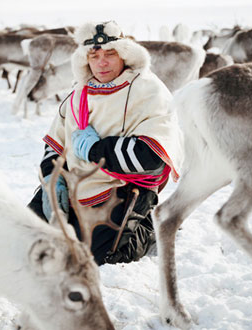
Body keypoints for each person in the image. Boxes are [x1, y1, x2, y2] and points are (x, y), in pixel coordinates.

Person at [27, 21, 183, 265]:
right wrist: (52, 179)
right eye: (94, 55)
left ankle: (150, 228)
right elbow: (55, 144)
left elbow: (151, 156)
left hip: (121, 188)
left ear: (124, 54)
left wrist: (94, 149)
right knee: (27, 241)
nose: (102, 62)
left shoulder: (149, 90)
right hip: (73, 188)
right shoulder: (79, 93)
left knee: (98, 259)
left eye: (110, 54)